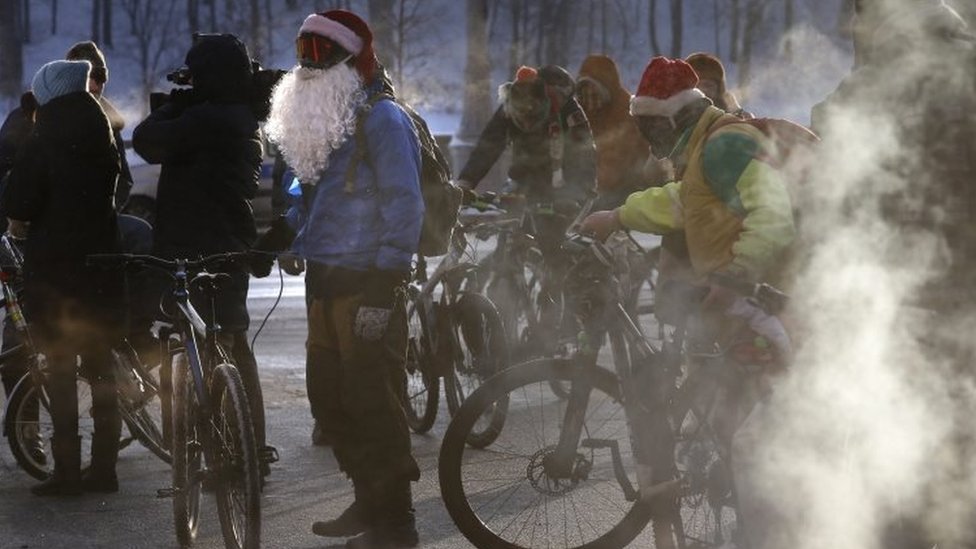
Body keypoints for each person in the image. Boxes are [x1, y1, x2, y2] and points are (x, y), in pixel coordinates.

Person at [580, 55, 796, 541]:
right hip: (744, 307)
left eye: (654, 126)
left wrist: (737, 276)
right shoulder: (705, 149)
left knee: (760, 444)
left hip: (772, 307)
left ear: (676, 115)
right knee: (727, 421)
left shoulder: (726, 146)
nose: (651, 139)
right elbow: (683, 201)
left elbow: (774, 215)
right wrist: (617, 217)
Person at [263, 9, 423, 548]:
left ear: (349, 60)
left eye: (318, 54)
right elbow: (305, 192)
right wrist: (281, 234)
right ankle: (367, 498)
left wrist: (387, 283)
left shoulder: (382, 119)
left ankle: (396, 523)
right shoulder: (324, 123)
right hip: (324, 282)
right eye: (301, 53)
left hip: (367, 282)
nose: (306, 68)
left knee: (373, 401)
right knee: (330, 400)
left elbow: (405, 202)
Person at [131, 33, 276, 477]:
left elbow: (146, 140)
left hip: (197, 250)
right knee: (231, 342)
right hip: (227, 246)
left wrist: (175, 108)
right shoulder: (237, 114)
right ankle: (247, 452)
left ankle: (218, 454)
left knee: (204, 348)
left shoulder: (211, 119)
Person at [1, 59, 125, 495]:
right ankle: (105, 467)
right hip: (101, 267)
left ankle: (68, 470)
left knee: (60, 370)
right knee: (102, 371)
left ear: (50, 94)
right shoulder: (104, 130)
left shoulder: (45, 135)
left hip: (55, 273)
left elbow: (20, 201)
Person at [64, 40, 158, 365]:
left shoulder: (109, 119)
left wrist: (106, 207)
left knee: (142, 238)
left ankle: (138, 333)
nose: (96, 83)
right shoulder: (48, 115)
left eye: (101, 75)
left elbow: (125, 179)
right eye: (89, 74)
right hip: (59, 224)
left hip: (99, 219)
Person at [575, 54, 653, 210]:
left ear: (607, 89)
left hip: (630, 186)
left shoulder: (627, 113)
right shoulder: (580, 112)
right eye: (584, 93)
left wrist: (585, 192)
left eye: (594, 93)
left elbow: (615, 163)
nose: (589, 100)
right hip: (596, 182)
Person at [685, 52, 751, 119]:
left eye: (708, 85)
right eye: (697, 86)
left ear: (718, 88)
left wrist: (737, 112)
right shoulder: (677, 113)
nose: (703, 90)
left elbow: (748, 125)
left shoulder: (729, 111)